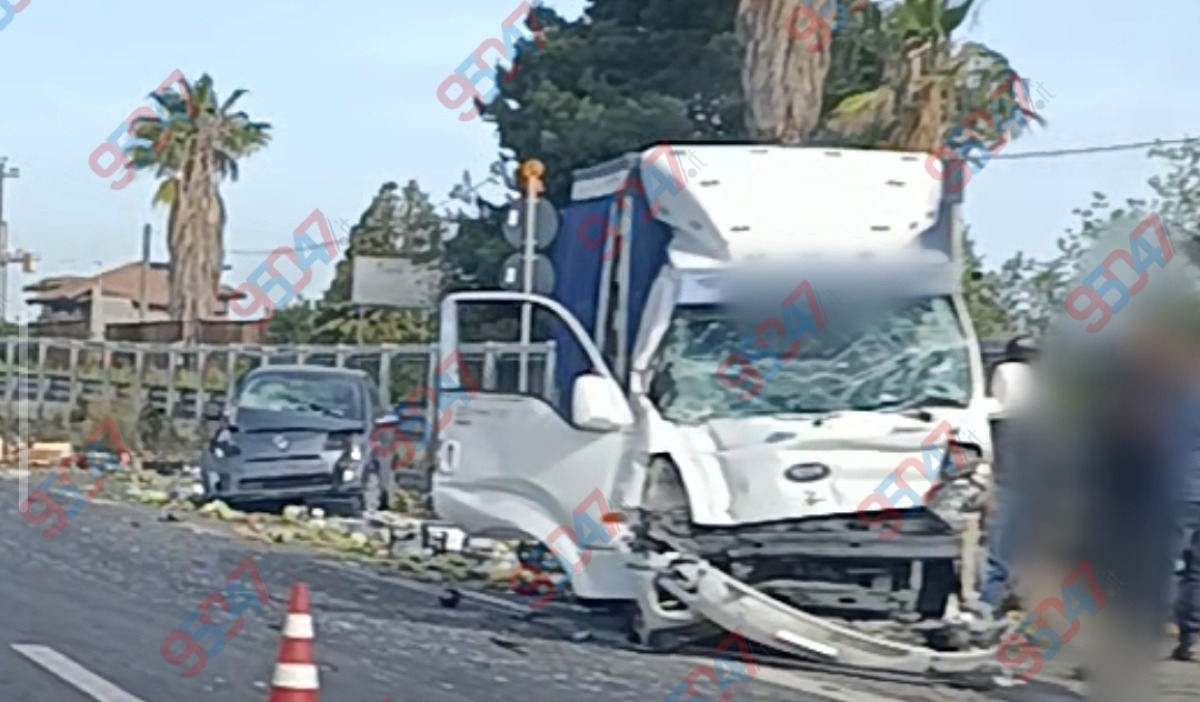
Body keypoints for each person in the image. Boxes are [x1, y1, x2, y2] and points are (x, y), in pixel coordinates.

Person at [979, 335, 1036, 610]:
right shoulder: (1000, 417)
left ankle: (995, 603)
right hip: (1010, 486)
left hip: (1017, 485)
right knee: (1002, 553)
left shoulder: (1023, 416)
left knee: (1006, 552)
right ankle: (989, 605)